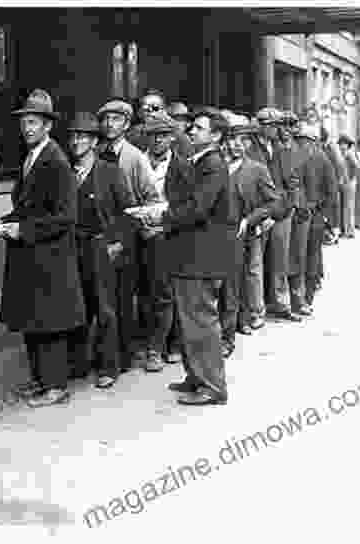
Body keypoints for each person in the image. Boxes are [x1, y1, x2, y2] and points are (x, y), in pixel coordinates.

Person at [130, 107, 236, 406]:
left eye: (199, 128)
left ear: (215, 136)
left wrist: (161, 215)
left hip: (200, 257)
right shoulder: (198, 160)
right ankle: (196, 378)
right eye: (192, 127)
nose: (191, 131)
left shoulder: (213, 163)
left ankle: (213, 387)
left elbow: (199, 209)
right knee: (191, 322)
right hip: (189, 253)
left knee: (201, 321)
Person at [0, 89, 86, 407]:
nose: (27, 128)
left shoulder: (56, 161)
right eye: (24, 122)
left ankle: (56, 386)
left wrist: (22, 229)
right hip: (31, 254)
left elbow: (66, 217)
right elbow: (27, 206)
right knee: (32, 319)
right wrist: (5, 222)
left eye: (34, 122)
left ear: (48, 125)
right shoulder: (32, 156)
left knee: (50, 323)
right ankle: (40, 381)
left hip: (50, 256)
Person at [65, 111, 135, 388]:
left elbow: (127, 211)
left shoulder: (109, 171)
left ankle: (110, 366)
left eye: (83, 136)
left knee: (105, 308)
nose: (76, 141)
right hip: (72, 247)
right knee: (77, 305)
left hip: (100, 245)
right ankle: (79, 363)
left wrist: (117, 242)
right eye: (73, 136)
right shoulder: (66, 171)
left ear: (94, 141)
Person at [96, 98, 160, 369]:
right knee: (102, 298)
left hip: (128, 234)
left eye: (116, 119)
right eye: (106, 119)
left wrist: (137, 225)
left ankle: (125, 353)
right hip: (100, 233)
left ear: (126, 124)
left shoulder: (135, 157)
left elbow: (151, 198)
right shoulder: (96, 151)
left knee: (125, 296)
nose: (110, 124)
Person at [219, 120, 285, 358]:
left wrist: (250, 220)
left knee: (237, 282)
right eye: (231, 140)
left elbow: (273, 201)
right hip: (213, 234)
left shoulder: (256, 169)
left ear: (248, 143)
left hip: (241, 235)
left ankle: (234, 330)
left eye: (242, 141)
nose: (235, 145)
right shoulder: (215, 166)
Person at [140, 117, 185, 371]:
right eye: (154, 135)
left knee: (165, 293)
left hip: (167, 235)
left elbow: (186, 205)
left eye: (163, 135)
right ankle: (147, 342)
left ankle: (161, 347)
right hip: (139, 232)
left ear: (171, 138)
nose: (158, 140)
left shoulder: (181, 166)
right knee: (144, 292)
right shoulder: (139, 161)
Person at [289, 117, 338, 315]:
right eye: (298, 139)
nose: (300, 142)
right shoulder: (310, 157)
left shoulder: (319, 159)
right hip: (306, 215)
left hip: (311, 215)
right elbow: (331, 192)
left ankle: (304, 298)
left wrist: (324, 215)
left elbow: (332, 191)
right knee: (306, 257)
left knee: (308, 257)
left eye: (302, 139)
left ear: (311, 141)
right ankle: (302, 299)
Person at [265, 111, 303, 322]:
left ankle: (282, 303)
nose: (281, 129)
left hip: (280, 212)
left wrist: (285, 209)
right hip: (264, 209)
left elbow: (292, 185)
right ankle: (271, 301)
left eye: (280, 125)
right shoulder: (266, 149)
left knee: (280, 259)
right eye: (279, 125)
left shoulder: (283, 150)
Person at [337, 134, 359, 239]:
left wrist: (350, 179)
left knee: (348, 208)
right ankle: (344, 230)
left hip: (348, 184)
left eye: (343, 144)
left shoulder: (349, 154)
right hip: (343, 184)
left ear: (348, 145)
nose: (341, 145)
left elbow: (356, 166)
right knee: (343, 207)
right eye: (340, 143)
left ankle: (349, 231)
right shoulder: (342, 154)